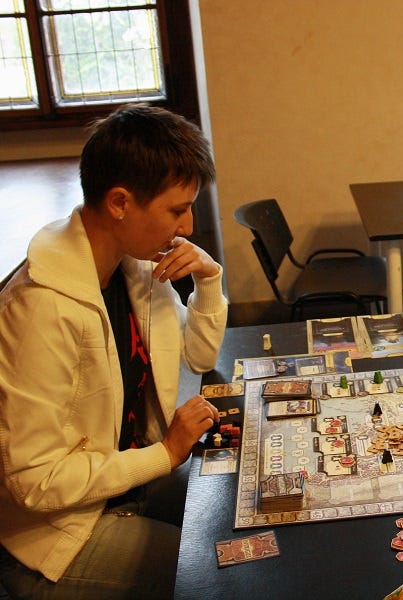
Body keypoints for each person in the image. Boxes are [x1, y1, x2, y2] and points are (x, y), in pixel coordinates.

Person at [0, 104, 228, 598]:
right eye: (177, 210)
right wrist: (164, 453)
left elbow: (200, 357)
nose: (188, 226)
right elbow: (35, 481)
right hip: (55, 538)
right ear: (120, 202)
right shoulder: (40, 307)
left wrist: (208, 279)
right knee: (218, 572)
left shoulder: (133, 265)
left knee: (232, 506)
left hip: (122, 486)